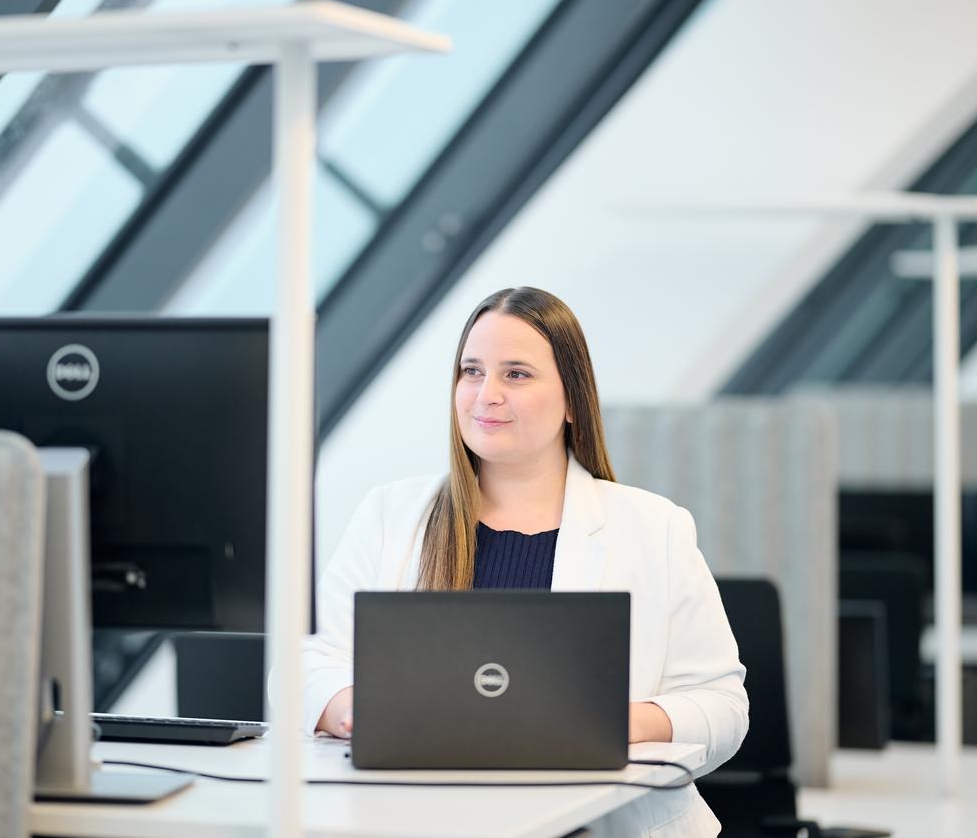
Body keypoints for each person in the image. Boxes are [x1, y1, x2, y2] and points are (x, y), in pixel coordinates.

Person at [293, 287, 748, 835]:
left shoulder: (654, 528)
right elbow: (304, 665)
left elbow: (723, 706)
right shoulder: (391, 514)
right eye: (471, 371)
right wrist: (358, 709)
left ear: (574, 400)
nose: (486, 395)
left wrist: (611, 723)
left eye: (516, 374)